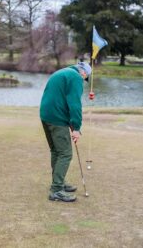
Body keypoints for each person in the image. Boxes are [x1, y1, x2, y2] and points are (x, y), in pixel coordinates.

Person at [40, 62, 91, 202]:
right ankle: (56, 190)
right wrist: (77, 128)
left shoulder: (63, 72)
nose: (84, 80)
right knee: (65, 153)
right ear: (84, 73)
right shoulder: (75, 77)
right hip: (57, 118)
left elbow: (63, 99)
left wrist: (71, 124)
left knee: (56, 151)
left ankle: (58, 182)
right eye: (85, 77)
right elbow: (74, 104)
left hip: (46, 115)